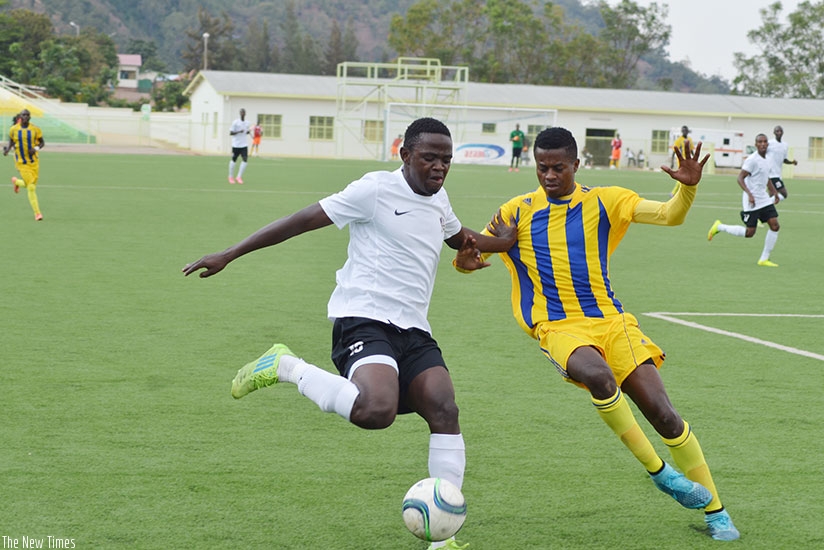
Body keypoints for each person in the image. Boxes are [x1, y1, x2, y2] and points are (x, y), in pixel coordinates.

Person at [183, 117, 515, 550]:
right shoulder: (374, 190)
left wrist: (501, 242)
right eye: (429, 158)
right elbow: (301, 220)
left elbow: (458, 238)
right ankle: (284, 366)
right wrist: (231, 253)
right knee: (376, 410)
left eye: (446, 160)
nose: (439, 167)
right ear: (405, 155)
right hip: (363, 318)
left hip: (414, 327)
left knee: (444, 408)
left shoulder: (439, 199)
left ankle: (441, 538)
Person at [453, 127, 740, 541]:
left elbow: (670, 215)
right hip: (557, 326)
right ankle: (660, 474)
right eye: (542, 167)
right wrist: (465, 262)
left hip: (612, 321)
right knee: (599, 376)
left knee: (665, 416)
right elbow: (472, 256)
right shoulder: (515, 211)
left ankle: (716, 512)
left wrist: (688, 190)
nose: (549, 175)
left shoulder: (607, 200)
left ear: (576, 165)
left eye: (558, 168)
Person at [708, 133, 780, 267]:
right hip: (751, 200)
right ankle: (719, 227)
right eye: (760, 142)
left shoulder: (768, 159)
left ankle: (764, 259)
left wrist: (774, 192)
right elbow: (740, 178)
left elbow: (767, 177)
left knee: (775, 226)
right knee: (750, 233)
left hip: (763, 198)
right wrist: (749, 194)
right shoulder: (752, 160)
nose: (763, 144)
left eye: (765, 141)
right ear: (756, 144)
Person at [3, 109, 45, 221]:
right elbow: (11, 141)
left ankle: (16, 182)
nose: (25, 117)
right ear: (20, 117)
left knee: (29, 184)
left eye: (27, 115)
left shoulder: (35, 129)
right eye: (23, 115)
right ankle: (37, 213)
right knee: (31, 187)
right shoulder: (14, 130)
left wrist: (35, 148)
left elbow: (42, 143)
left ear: (30, 117)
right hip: (21, 163)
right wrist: (7, 150)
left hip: (34, 162)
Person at [765, 125, 797, 200]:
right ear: (774, 132)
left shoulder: (785, 145)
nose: (779, 132)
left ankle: (765, 208)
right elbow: (762, 153)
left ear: (783, 132)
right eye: (777, 131)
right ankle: (765, 206)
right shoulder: (770, 143)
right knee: (784, 193)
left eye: (780, 131)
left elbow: (784, 160)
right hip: (771, 174)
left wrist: (792, 162)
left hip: (778, 174)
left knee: (772, 195)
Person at [228, 108, 251, 184]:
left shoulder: (247, 123)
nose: (242, 114)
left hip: (244, 145)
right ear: (239, 113)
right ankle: (231, 176)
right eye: (241, 112)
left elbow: (246, 132)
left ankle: (239, 177)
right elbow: (231, 133)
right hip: (236, 144)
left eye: (244, 112)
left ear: (245, 114)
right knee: (234, 159)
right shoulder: (235, 122)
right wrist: (239, 131)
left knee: (245, 159)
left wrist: (247, 132)